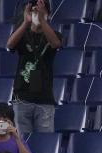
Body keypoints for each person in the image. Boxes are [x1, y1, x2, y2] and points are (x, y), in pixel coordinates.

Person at [6, 0, 62, 134]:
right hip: (22, 98)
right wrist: (25, 22)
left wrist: (42, 21)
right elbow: (9, 45)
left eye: (40, 11)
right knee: (22, 142)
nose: (37, 14)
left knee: (45, 142)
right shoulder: (22, 34)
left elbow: (55, 44)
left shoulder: (53, 34)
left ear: (48, 14)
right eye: (34, 11)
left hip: (45, 98)